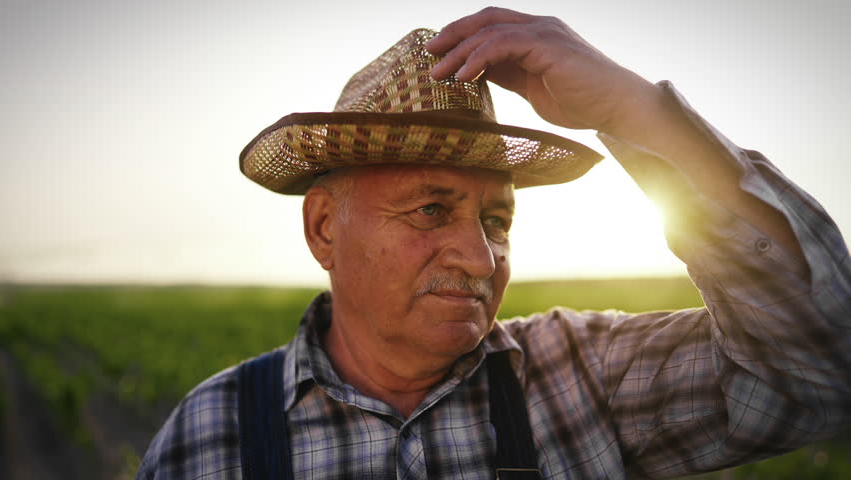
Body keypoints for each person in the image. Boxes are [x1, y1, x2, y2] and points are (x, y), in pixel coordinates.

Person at [136, 7, 850, 479]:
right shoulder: (214, 434)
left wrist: (635, 108)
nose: (480, 260)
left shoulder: (579, 376)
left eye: (497, 221)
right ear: (325, 228)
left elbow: (820, 369)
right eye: (429, 210)